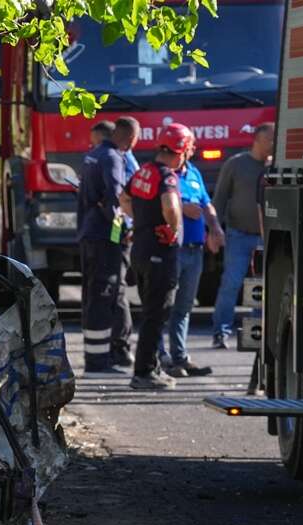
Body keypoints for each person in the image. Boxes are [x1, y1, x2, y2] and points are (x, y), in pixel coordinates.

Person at [123, 123, 193, 390]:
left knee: (149, 313)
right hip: (160, 255)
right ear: (181, 150)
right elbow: (171, 205)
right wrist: (173, 229)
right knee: (157, 314)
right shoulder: (167, 177)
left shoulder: (144, 171)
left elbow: (124, 198)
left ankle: (150, 367)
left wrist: (140, 220)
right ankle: (143, 373)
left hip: (140, 250)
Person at [158, 133, 224, 377]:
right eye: (190, 145)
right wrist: (182, 208)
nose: (194, 149)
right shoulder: (163, 174)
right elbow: (152, 204)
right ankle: (160, 357)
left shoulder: (193, 172)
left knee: (184, 307)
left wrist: (215, 227)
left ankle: (180, 357)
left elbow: (206, 203)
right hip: (172, 250)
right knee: (164, 306)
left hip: (195, 250)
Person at [209, 123, 275, 347]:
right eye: (270, 140)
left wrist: (271, 168)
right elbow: (219, 197)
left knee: (261, 288)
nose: (273, 145)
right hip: (238, 234)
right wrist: (214, 229)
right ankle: (221, 332)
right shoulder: (236, 164)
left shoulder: (274, 166)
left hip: (264, 238)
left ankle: (256, 335)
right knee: (231, 283)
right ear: (257, 140)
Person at [76, 121, 128, 373]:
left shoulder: (91, 156)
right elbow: (115, 200)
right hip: (105, 236)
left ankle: (96, 355)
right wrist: (121, 233)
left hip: (88, 233)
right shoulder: (111, 158)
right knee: (104, 294)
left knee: (92, 294)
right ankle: (99, 361)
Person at [109, 116, 141, 365]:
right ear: (132, 138)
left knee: (118, 289)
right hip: (121, 231)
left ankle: (121, 346)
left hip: (120, 231)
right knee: (117, 289)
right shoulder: (122, 158)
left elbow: (122, 200)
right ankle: (119, 344)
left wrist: (120, 232)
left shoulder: (121, 159)